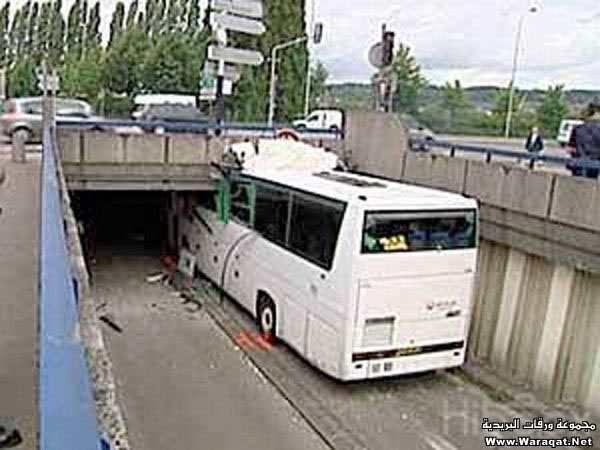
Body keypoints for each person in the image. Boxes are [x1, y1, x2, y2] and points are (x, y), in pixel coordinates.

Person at [567, 107, 600, 179]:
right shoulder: (598, 131)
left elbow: (570, 148)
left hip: (578, 162)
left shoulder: (577, 129)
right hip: (594, 164)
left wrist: (575, 155)